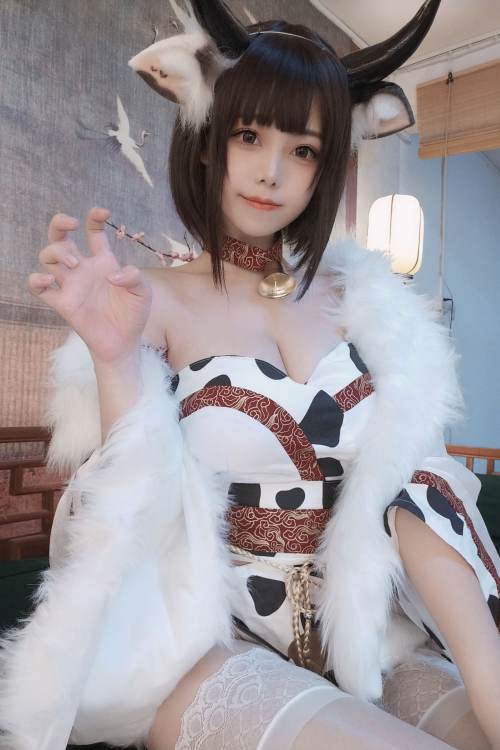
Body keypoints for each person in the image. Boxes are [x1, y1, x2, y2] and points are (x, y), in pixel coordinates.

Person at [1, 1, 499, 749]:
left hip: (368, 631)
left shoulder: (366, 304)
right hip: (207, 637)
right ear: (208, 140)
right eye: (249, 136)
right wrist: (112, 356)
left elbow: (418, 487)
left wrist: (486, 677)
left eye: (303, 150)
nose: (272, 172)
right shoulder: (147, 300)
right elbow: (129, 505)